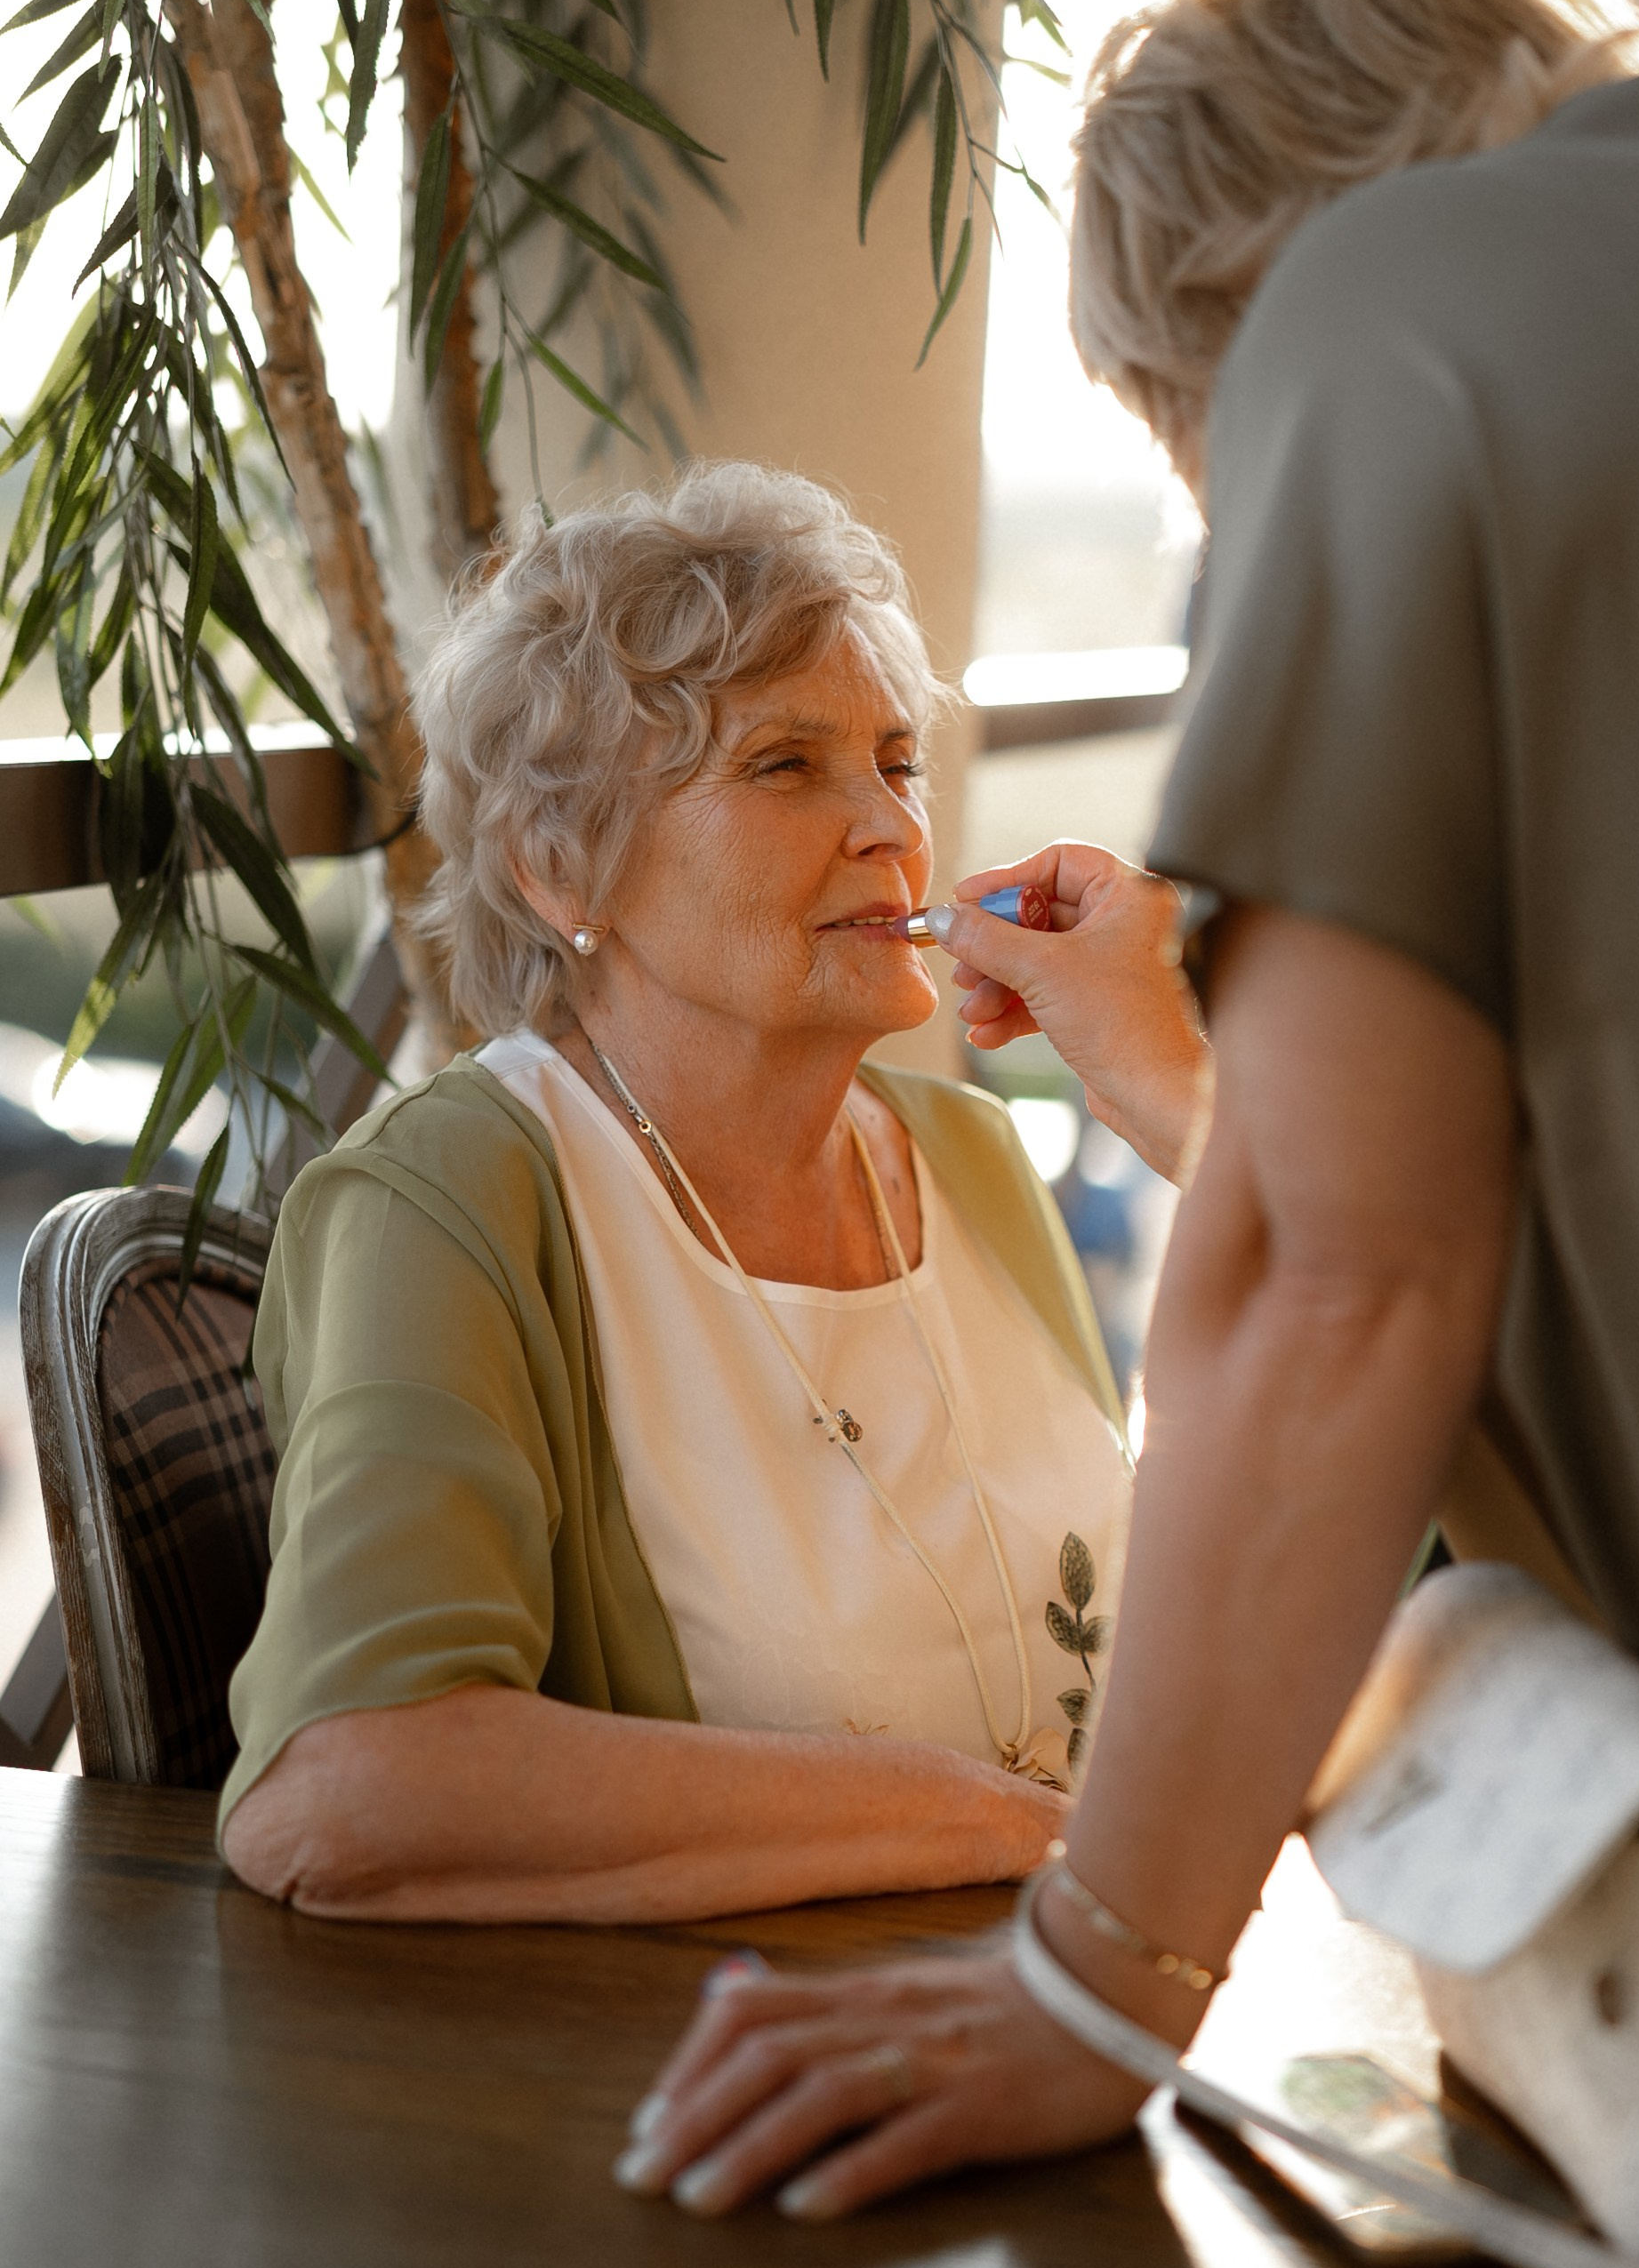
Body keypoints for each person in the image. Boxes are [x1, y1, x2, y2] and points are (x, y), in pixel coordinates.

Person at [614, 0, 1639, 2223]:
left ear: (1224, 315)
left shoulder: (1389, 304)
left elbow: (1358, 1270)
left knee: (1436, 1660)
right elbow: (1602, 1171)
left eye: (1198, 469)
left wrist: (1092, 1967)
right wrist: (1187, 1065)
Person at [221, 461, 1203, 1922]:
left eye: (896, 759)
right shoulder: (452, 1197)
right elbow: (351, 1784)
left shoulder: (973, 1158)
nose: (889, 827)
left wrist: (1187, 1090)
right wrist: (990, 1823)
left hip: (1084, 1998)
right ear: (559, 868)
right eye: (786, 766)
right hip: (702, 2079)